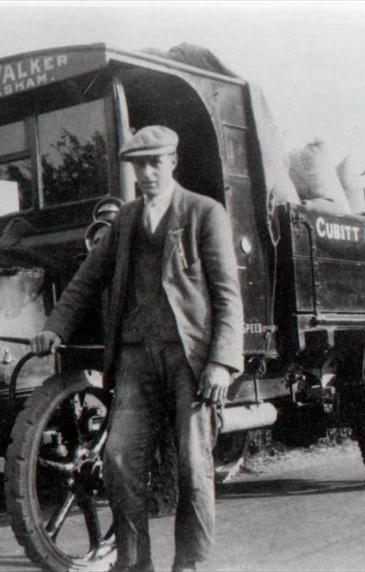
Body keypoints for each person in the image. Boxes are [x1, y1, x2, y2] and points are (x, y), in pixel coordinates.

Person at [31, 125, 244, 572]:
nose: (146, 173)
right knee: (119, 461)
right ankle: (134, 566)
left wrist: (222, 363)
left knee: (193, 466)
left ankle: (189, 566)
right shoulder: (126, 220)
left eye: (154, 163)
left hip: (190, 359)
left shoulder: (205, 213)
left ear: (172, 162)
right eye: (137, 165)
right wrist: (55, 328)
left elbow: (227, 296)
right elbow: (88, 280)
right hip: (135, 359)